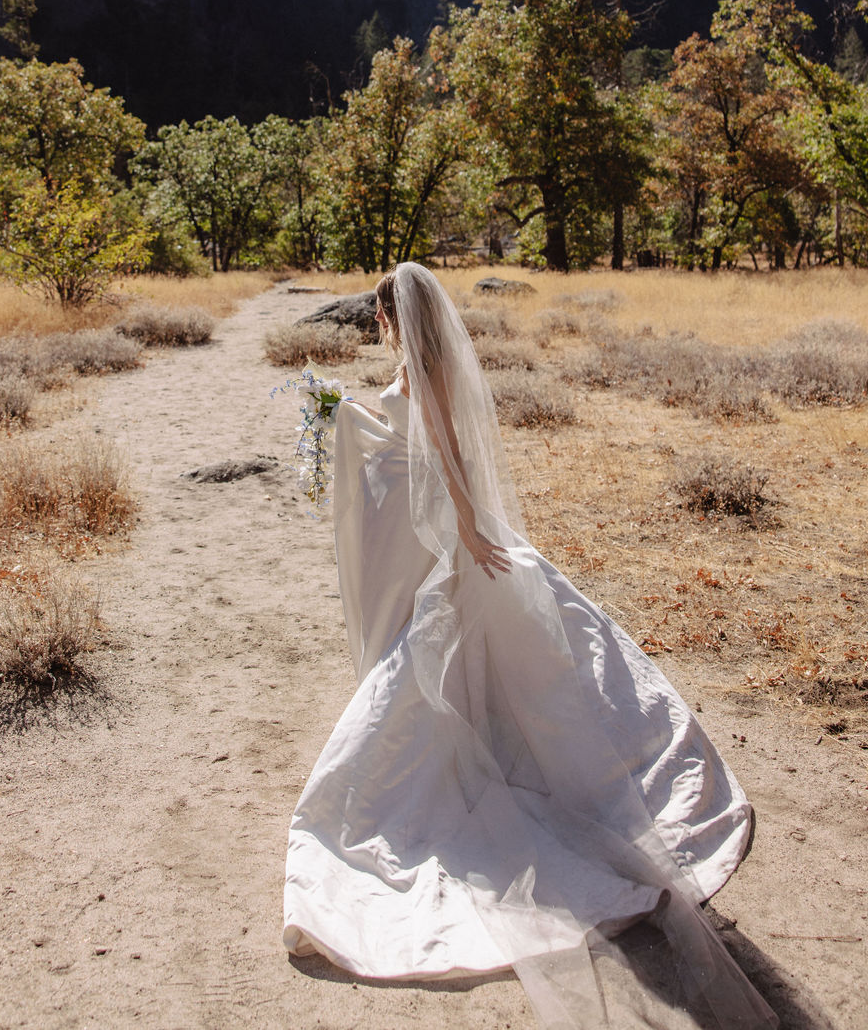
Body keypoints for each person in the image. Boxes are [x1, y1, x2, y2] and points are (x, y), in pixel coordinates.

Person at [283, 262, 777, 1030]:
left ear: (393, 316)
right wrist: (341, 414)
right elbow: (417, 440)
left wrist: (472, 529)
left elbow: (444, 448)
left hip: (457, 542)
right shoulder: (420, 364)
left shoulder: (426, 369)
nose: (380, 328)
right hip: (448, 535)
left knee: (443, 675)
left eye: (381, 317)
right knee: (507, 671)